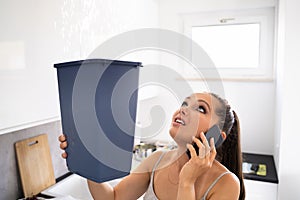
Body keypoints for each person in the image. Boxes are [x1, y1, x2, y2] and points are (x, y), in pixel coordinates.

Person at [59, 92, 245, 200]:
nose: (183, 109)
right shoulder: (157, 161)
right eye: (184, 104)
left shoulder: (226, 184)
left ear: (216, 137)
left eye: (200, 108)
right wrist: (88, 156)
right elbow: (113, 198)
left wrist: (187, 182)